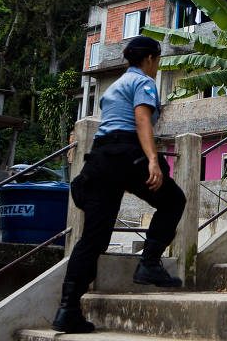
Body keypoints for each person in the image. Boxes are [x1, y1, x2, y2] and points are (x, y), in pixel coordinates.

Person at [52, 36, 187, 334]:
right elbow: (141, 120)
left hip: (99, 161)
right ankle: (149, 262)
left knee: (93, 240)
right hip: (127, 154)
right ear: (150, 59)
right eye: (158, 58)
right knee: (174, 200)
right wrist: (153, 160)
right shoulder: (144, 82)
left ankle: (68, 309)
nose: (158, 64)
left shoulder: (114, 86)